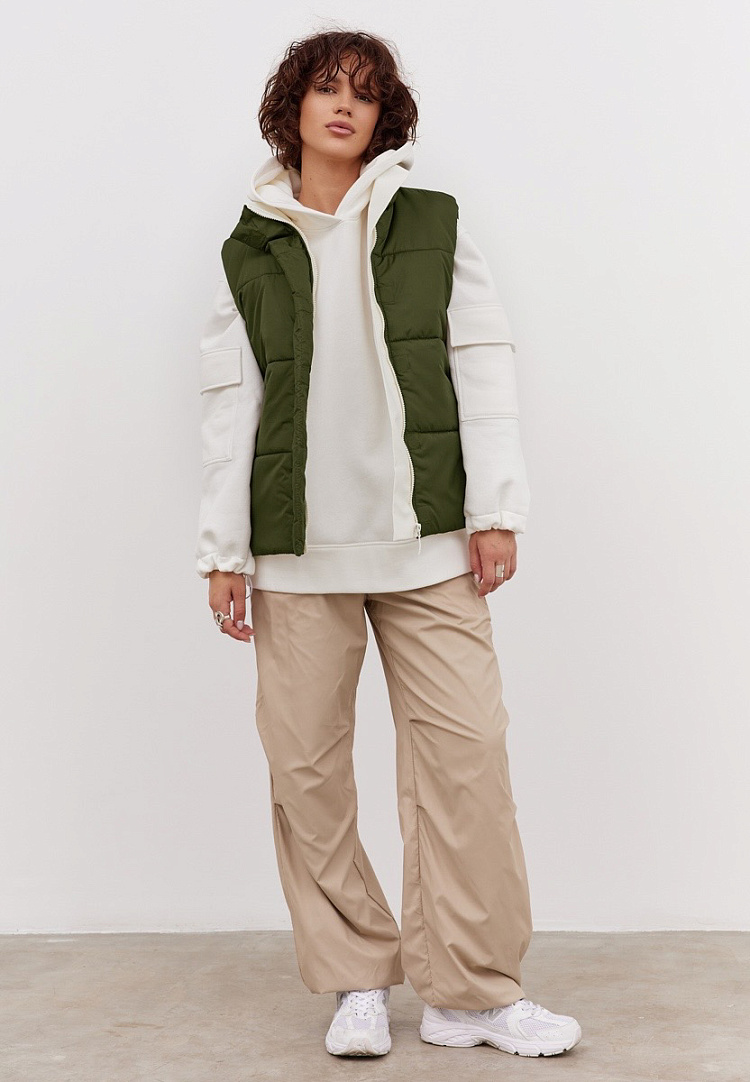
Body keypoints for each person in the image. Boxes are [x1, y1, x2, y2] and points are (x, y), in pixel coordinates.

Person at [195, 28, 582, 1059]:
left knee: (468, 758)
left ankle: (472, 990)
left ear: (383, 118)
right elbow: (231, 402)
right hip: (296, 553)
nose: (343, 106)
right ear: (293, 105)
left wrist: (496, 507)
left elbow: (482, 359)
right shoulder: (249, 244)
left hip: (428, 542)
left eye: (364, 94)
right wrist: (223, 549)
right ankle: (356, 977)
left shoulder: (432, 221)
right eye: (326, 88)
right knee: (307, 774)